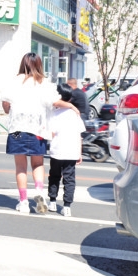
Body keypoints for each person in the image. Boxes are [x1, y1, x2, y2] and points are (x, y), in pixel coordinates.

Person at [0, 53, 55, 215]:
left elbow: (5, 105)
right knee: (38, 164)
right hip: (38, 130)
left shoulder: (15, 81)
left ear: (22, 64)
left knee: (21, 167)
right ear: (39, 65)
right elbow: (52, 104)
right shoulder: (44, 83)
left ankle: (23, 202)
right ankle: (39, 191)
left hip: (17, 129)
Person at [46, 83, 85, 217]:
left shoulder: (54, 114)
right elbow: (80, 136)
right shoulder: (75, 114)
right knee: (69, 179)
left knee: (54, 176)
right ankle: (67, 206)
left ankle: (52, 201)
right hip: (72, 152)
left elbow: (51, 134)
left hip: (57, 151)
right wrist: (79, 153)